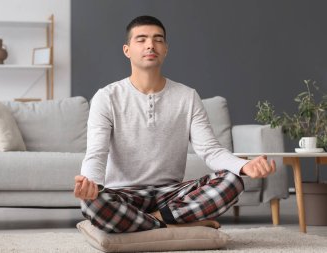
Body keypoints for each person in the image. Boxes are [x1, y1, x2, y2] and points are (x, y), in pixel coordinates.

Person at [74, 15, 276, 233]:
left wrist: (243, 165)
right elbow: (96, 152)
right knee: (91, 203)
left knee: (232, 180)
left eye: (157, 39)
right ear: (127, 50)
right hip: (124, 195)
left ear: (166, 49)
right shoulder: (106, 97)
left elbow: (210, 150)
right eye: (141, 39)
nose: (150, 45)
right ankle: (177, 224)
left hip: (172, 195)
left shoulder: (187, 96)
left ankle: (152, 222)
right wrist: (91, 185)